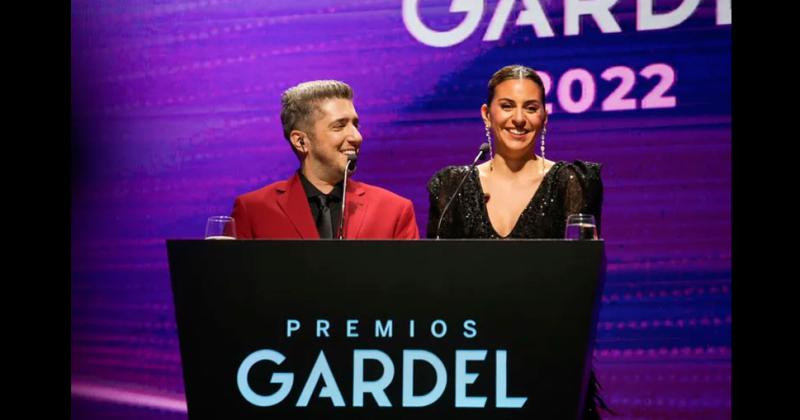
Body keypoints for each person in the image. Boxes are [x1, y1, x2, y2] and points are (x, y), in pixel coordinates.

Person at [426, 65, 609, 418]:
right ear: (487, 113)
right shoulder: (452, 186)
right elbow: (435, 280)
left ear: (544, 116)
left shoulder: (573, 181)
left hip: (548, 359)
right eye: (507, 105)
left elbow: (581, 277)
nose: (519, 119)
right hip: (467, 367)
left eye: (531, 107)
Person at [232, 80, 419, 239]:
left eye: (355, 124)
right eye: (339, 126)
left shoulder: (394, 210)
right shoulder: (254, 210)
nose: (357, 137)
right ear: (301, 141)